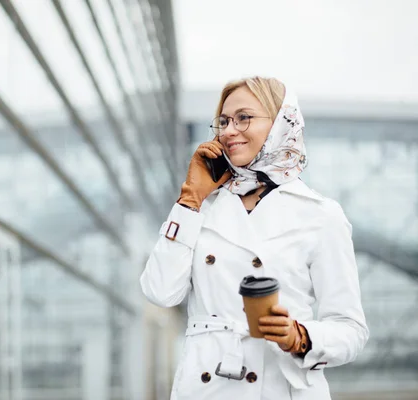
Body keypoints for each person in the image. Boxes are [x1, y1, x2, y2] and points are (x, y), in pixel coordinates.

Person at [140, 77, 369, 400]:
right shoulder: (200, 210)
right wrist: (190, 199)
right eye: (223, 121)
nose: (229, 131)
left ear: (280, 123)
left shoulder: (321, 215)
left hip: (280, 388)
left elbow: (351, 329)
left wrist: (300, 336)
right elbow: (160, 292)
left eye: (243, 118)